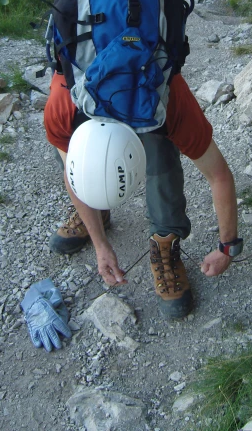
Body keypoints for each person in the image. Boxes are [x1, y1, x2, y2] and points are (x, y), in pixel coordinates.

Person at [44, 69, 241, 320]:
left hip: (149, 99)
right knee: (71, 152)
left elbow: (219, 175)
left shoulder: (169, 99)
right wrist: (100, 245)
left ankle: (165, 239)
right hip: (74, 112)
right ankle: (95, 213)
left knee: (160, 152)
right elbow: (72, 177)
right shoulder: (63, 108)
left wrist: (227, 248)